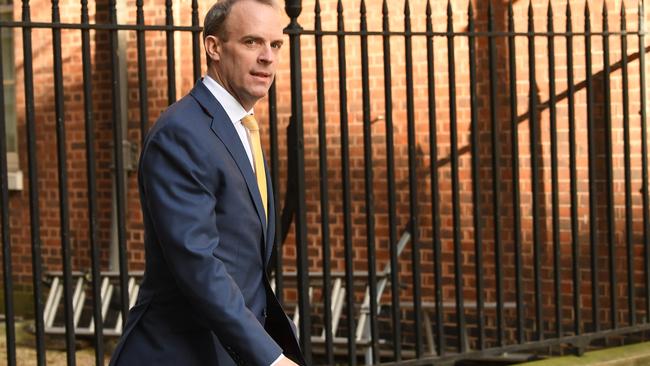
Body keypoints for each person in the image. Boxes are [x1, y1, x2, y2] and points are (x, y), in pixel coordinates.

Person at [109, 0, 304, 365]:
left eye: (275, 45)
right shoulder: (181, 133)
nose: (268, 57)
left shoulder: (240, 127)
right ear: (213, 47)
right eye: (251, 42)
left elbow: (243, 263)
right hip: (177, 353)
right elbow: (199, 265)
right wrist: (271, 359)